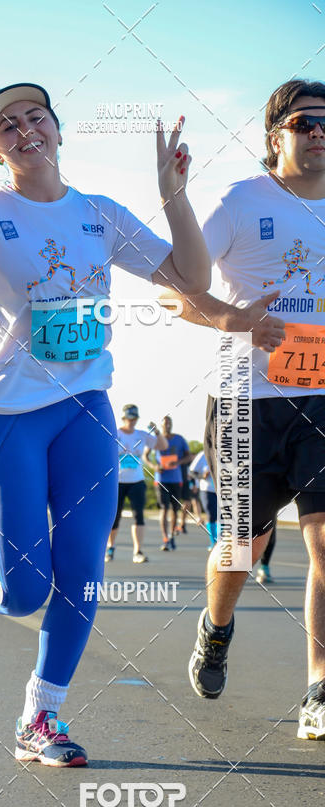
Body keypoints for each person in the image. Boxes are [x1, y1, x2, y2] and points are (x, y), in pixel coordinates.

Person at [0, 37, 210, 765]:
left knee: (83, 571)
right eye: (9, 126)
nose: (26, 130)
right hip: (5, 420)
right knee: (24, 592)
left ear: (59, 129)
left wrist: (174, 195)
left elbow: (188, 274)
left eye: (37, 117)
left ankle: (41, 719)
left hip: (86, 407)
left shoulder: (101, 211)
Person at [165, 79, 325, 741]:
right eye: (304, 122)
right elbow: (176, 289)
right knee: (239, 547)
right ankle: (216, 629)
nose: (318, 131)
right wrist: (235, 320)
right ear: (275, 137)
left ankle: (319, 687)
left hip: (321, 399)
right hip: (245, 402)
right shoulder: (240, 201)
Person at [105, 404, 167, 564]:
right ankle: (110, 548)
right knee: (114, 517)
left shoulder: (141, 435)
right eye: (129, 419)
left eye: (134, 419)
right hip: (117, 481)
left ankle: (138, 551)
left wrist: (157, 432)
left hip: (137, 481)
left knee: (139, 516)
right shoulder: (115, 434)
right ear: (124, 418)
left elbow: (163, 446)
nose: (131, 422)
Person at [145, 415, 192, 551]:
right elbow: (145, 455)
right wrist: (154, 466)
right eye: (165, 423)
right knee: (164, 508)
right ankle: (165, 538)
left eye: (169, 423)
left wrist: (178, 462)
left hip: (176, 479)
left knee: (175, 510)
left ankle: (172, 536)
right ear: (161, 425)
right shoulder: (156, 440)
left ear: (171, 424)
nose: (167, 425)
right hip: (161, 479)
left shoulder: (179, 439)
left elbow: (188, 456)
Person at [190, 449, 217, 549]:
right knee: (211, 516)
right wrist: (202, 476)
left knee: (224, 517)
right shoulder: (203, 454)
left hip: (224, 491)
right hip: (207, 490)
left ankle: (223, 542)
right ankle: (214, 542)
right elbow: (192, 472)